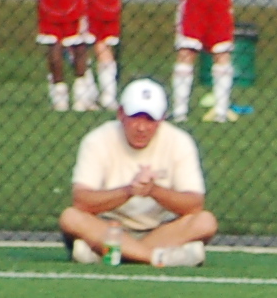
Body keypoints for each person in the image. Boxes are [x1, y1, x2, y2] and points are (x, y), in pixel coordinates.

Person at [60, 78, 215, 267]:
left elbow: (194, 204)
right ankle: (155, 257)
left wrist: (153, 190)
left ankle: (110, 253)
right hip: (109, 227)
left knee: (205, 221)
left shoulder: (180, 141)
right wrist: (128, 191)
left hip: (162, 230)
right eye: (135, 117)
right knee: (71, 217)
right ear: (121, 114)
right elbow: (82, 200)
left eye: (150, 120)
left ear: (162, 118)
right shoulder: (97, 140)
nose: (141, 127)